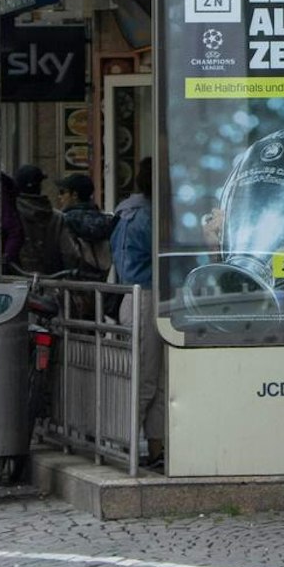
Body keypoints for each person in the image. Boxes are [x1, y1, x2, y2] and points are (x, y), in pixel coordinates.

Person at [111, 159, 163, 463]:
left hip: (135, 295)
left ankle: (149, 447)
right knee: (149, 379)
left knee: (148, 377)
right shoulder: (150, 216)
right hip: (147, 295)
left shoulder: (126, 211)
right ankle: (133, 446)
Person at [53, 172, 115, 276]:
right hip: (100, 276)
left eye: (62, 192)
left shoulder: (64, 220)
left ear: (74, 195)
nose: (59, 196)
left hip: (72, 276)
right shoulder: (104, 220)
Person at [10, 166, 62, 276]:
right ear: (39, 187)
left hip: (16, 280)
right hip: (52, 281)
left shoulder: (11, 214)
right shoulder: (58, 218)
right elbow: (70, 253)